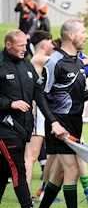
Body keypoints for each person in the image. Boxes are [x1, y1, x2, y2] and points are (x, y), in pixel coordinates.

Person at [30, 19, 88, 208]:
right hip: (59, 124)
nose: (86, 35)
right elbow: (40, 94)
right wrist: (54, 123)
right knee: (72, 169)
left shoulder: (77, 61)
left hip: (74, 123)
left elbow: (78, 97)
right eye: (83, 32)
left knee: (57, 174)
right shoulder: (54, 61)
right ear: (70, 36)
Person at [0, 30, 66, 208]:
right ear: (8, 44)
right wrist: (9, 104)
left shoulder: (27, 65)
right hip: (5, 128)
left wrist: (53, 121)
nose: (24, 49)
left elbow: (39, 95)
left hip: (24, 129)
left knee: (3, 171)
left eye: (25, 45)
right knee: (17, 168)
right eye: (20, 45)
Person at [24, 31, 54, 189]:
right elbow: (64, 60)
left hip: (42, 111)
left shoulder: (37, 59)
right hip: (36, 111)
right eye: (50, 42)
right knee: (31, 156)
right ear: (43, 44)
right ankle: (26, 194)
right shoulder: (39, 59)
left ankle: (42, 191)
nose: (53, 45)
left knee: (49, 155)